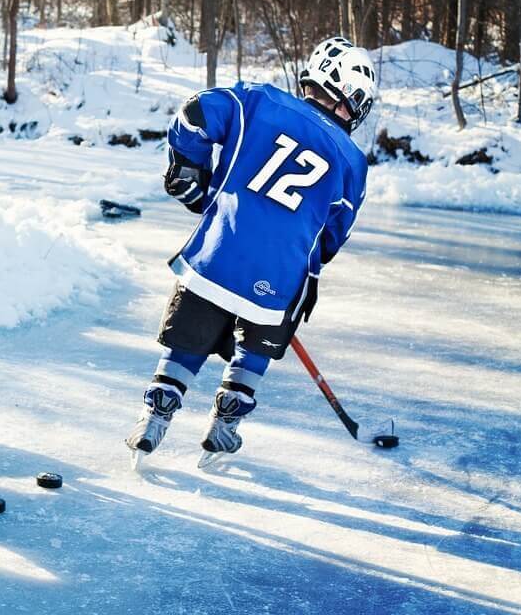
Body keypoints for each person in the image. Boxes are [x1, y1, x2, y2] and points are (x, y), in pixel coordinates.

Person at [126, 37, 378, 468]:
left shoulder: (257, 100)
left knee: (191, 328)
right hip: (276, 280)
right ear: (352, 97)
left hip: (214, 258)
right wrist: (306, 267)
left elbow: (195, 113)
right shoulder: (351, 161)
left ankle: (155, 415)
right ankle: (224, 426)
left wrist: (187, 169)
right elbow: (333, 236)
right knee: (266, 327)